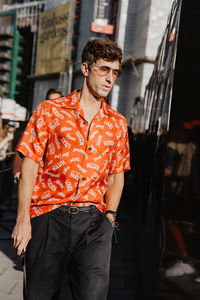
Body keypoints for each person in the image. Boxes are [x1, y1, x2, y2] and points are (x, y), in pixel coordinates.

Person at [12, 38, 130, 300]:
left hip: (94, 222)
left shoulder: (117, 124)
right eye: (103, 69)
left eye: (115, 72)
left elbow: (117, 175)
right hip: (48, 217)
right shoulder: (49, 112)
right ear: (86, 69)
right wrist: (23, 219)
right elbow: (29, 164)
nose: (110, 78)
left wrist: (109, 218)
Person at [13, 89, 63, 182]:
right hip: (38, 178)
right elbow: (24, 146)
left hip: (58, 179)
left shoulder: (67, 124)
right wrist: (17, 170)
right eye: (51, 101)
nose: (54, 104)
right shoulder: (39, 121)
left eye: (58, 100)